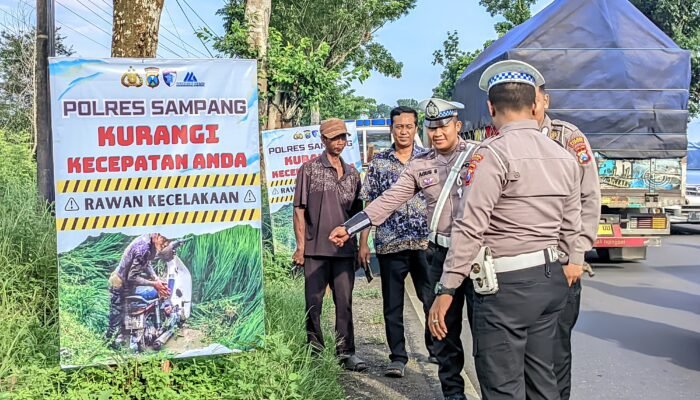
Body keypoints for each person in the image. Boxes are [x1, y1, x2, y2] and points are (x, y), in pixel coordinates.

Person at [428, 60, 585, 400]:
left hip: (505, 289)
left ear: (490, 107)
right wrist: (572, 258)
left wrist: (447, 287)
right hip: (550, 280)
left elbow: (470, 226)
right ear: (533, 105)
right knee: (543, 381)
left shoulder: (491, 155)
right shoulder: (564, 156)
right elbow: (573, 222)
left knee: (502, 386)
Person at [329, 98, 477, 400]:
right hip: (414, 248)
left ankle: (478, 380)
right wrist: (353, 229)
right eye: (432, 126)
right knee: (429, 316)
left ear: (457, 127)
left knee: (476, 327)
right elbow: (383, 200)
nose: (436, 132)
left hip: (461, 254)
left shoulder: (477, 158)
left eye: (443, 126)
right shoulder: (416, 166)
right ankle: (443, 387)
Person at [358, 106, 434, 378]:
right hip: (390, 243)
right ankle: (398, 357)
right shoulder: (379, 162)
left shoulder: (429, 159)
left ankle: (435, 349)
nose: (404, 131)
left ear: (416, 128)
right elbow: (370, 202)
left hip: (424, 243)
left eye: (409, 126)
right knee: (392, 304)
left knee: (431, 299)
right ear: (391, 128)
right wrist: (363, 242)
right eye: (399, 126)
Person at [536, 83, 601, 400]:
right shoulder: (500, 138)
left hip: (560, 263)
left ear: (544, 100)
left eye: (533, 98)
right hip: (520, 265)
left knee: (556, 348)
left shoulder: (567, 137)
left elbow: (590, 198)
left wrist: (577, 256)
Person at [292, 118, 367, 371]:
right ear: (323, 139)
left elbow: (360, 215)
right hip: (315, 250)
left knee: (344, 302)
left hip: (345, 251)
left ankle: (346, 352)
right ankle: (314, 351)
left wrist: (359, 247)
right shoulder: (309, 170)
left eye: (343, 137)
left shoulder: (353, 174)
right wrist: (301, 247)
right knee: (313, 302)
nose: (340, 142)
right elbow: (299, 211)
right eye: (334, 138)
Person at [106, 233, 173, 347]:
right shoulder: (143, 248)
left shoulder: (148, 242)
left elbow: (146, 263)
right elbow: (132, 277)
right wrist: (154, 284)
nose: (165, 243)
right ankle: (110, 342)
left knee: (120, 314)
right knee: (116, 316)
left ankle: (122, 336)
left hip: (125, 283)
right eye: (163, 239)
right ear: (156, 235)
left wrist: (156, 279)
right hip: (119, 284)